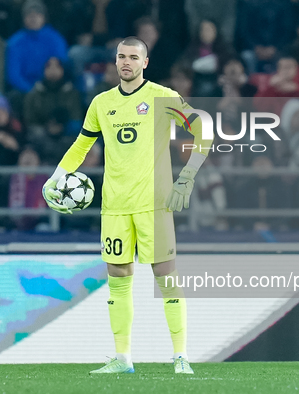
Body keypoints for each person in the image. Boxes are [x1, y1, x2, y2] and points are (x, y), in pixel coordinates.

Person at [42, 36, 213, 374]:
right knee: (118, 276)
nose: (126, 62)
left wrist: (188, 175)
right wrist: (56, 177)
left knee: (164, 275)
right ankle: (122, 359)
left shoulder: (163, 97)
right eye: (121, 56)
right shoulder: (101, 103)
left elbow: (203, 129)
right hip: (115, 205)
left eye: (134, 57)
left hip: (154, 204)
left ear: (145, 63)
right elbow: (81, 145)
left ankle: (181, 356)